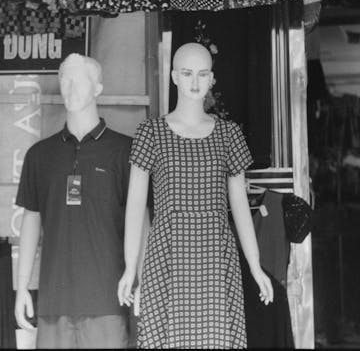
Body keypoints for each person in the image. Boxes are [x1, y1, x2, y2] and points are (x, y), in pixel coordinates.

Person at [117, 42, 274, 348]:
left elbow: (239, 205)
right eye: (187, 73)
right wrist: (129, 266)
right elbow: (135, 206)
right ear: (174, 76)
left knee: (218, 338)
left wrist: (256, 265)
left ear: (212, 78)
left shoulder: (229, 133)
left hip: (216, 252)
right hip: (166, 253)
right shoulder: (150, 132)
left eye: (202, 74)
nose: (194, 82)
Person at [14, 54, 133, 349]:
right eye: (64, 79)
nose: (70, 87)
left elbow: (140, 220)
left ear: (98, 88)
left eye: (79, 80)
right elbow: (31, 219)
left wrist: (140, 279)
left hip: (108, 300)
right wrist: (22, 287)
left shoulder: (125, 151)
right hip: (54, 302)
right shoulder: (40, 155)